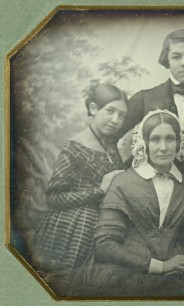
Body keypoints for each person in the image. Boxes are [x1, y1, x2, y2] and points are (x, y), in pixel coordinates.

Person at [75, 110, 184, 297]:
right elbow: (105, 245)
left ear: (179, 143)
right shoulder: (123, 183)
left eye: (170, 139)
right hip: (128, 270)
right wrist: (161, 266)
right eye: (155, 139)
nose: (164, 147)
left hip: (177, 269)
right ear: (144, 144)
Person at [32, 84, 128, 294]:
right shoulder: (74, 147)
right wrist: (99, 190)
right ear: (93, 108)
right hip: (71, 230)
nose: (116, 120)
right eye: (110, 111)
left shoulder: (112, 145)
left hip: (104, 226)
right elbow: (54, 197)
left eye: (122, 115)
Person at [119, 29, 184, 179]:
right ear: (166, 60)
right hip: (145, 186)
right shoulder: (144, 98)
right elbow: (110, 137)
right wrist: (120, 172)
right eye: (176, 57)